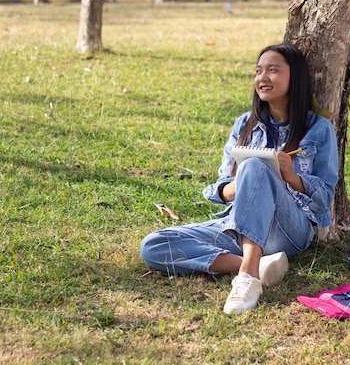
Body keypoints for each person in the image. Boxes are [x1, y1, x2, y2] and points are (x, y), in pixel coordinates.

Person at [140, 43, 338, 314]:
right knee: (153, 246)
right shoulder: (243, 124)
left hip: (289, 230)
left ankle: (247, 278)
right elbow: (220, 188)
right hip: (237, 224)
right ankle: (257, 264)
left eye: (272, 70)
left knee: (256, 165)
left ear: (295, 77)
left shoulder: (318, 129)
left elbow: (325, 197)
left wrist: (289, 175)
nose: (262, 77)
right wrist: (246, 182)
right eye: (258, 71)